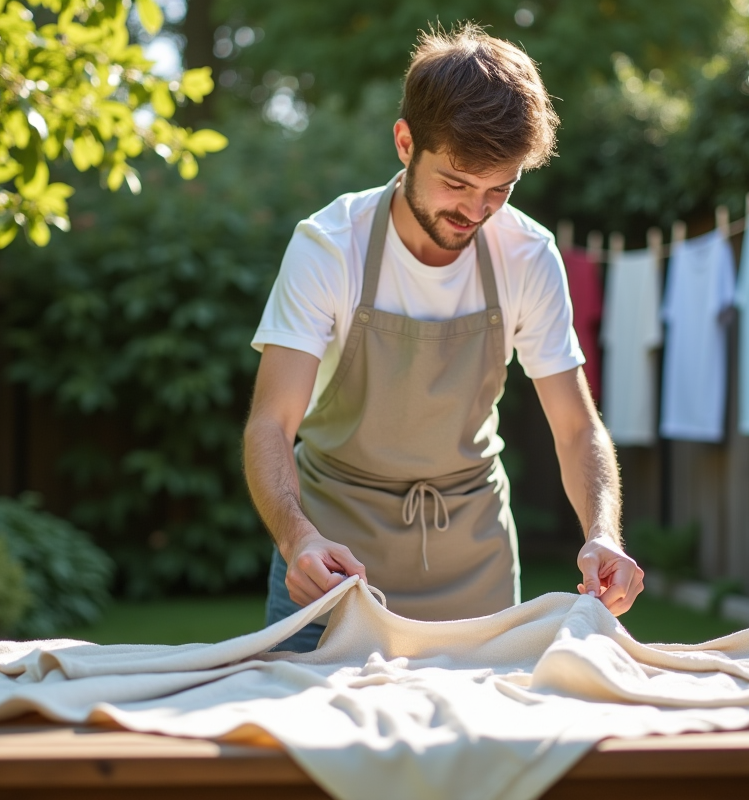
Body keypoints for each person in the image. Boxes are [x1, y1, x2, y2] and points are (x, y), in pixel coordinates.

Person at [243, 23, 644, 652]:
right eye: (456, 182)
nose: (476, 210)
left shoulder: (528, 254)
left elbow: (575, 428)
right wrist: (299, 539)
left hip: (473, 572)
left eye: (499, 189)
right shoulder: (329, 246)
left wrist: (604, 532)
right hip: (333, 571)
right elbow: (271, 422)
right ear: (406, 143)